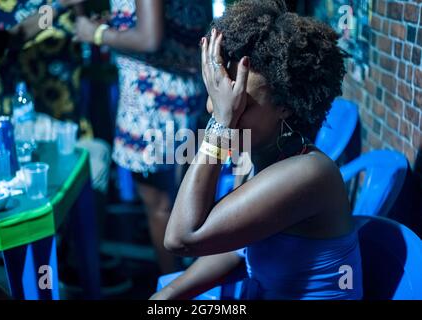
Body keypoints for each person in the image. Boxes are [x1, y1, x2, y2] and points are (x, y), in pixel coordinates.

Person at [152, 0, 363, 300]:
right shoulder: (264, 153)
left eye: (241, 104)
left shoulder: (308, 173)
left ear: (286, 107)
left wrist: (221, 124)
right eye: (218, 95)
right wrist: (166, 297)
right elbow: (236, 248)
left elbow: (182, 238)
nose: (217, 108)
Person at [73, 0, 212, 273]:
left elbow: (150, 38)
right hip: (184, 92)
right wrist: (120, 23)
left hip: (153, 101)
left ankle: (173, 291)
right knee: (187, 200)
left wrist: (96, 34)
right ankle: (197, 279)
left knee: (160, 206)